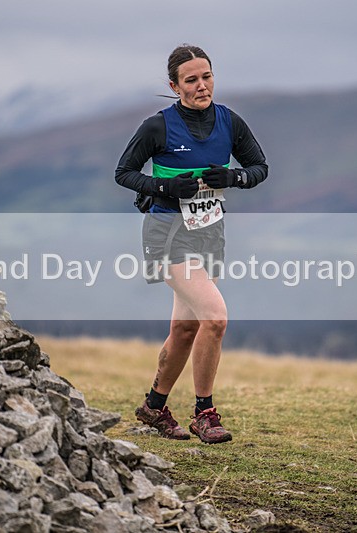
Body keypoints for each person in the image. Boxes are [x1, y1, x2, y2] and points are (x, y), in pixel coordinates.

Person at [115, 44, 268, 444]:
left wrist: (233, 178)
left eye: (207, 76)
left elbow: (259, 168)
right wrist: (164, 185)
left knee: (185, 328)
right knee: (215, 318)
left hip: (209, 234)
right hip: (166, 232)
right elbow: (124, 173)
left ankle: (154, 406)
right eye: (192, 80)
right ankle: (205, 413)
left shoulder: (229, 122)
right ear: (174, 85)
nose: (202, 86)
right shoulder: (158, 127)